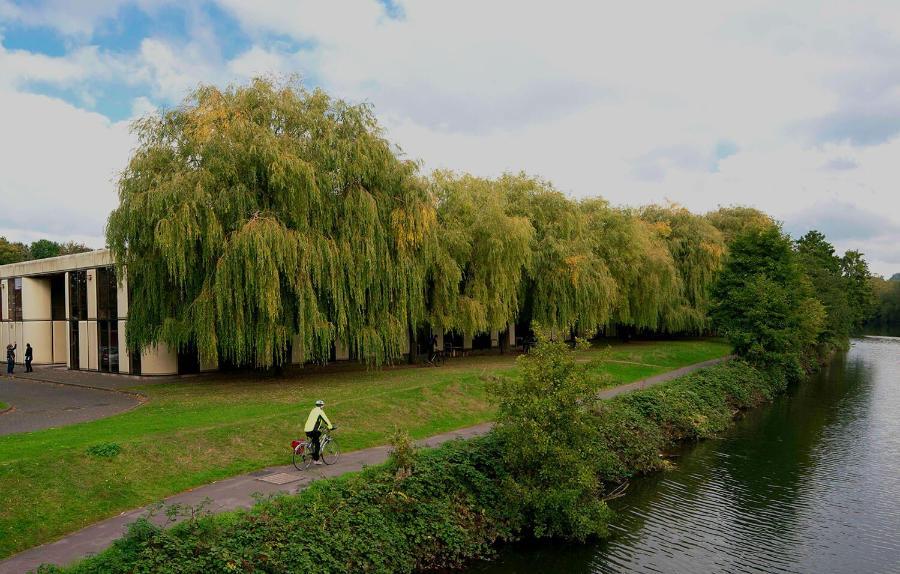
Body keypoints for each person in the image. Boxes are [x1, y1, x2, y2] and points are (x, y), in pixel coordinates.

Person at [304, 399, 334, 465]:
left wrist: (320, 427)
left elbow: (313, 421)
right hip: (313, 430)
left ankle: (312, 451)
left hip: (307, 429)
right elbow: (326, 420)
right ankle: (316, 460)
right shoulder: (320, 411)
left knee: (315, 439)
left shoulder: (313, 410)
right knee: (317, 444)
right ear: (321, 406)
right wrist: (330, 427)